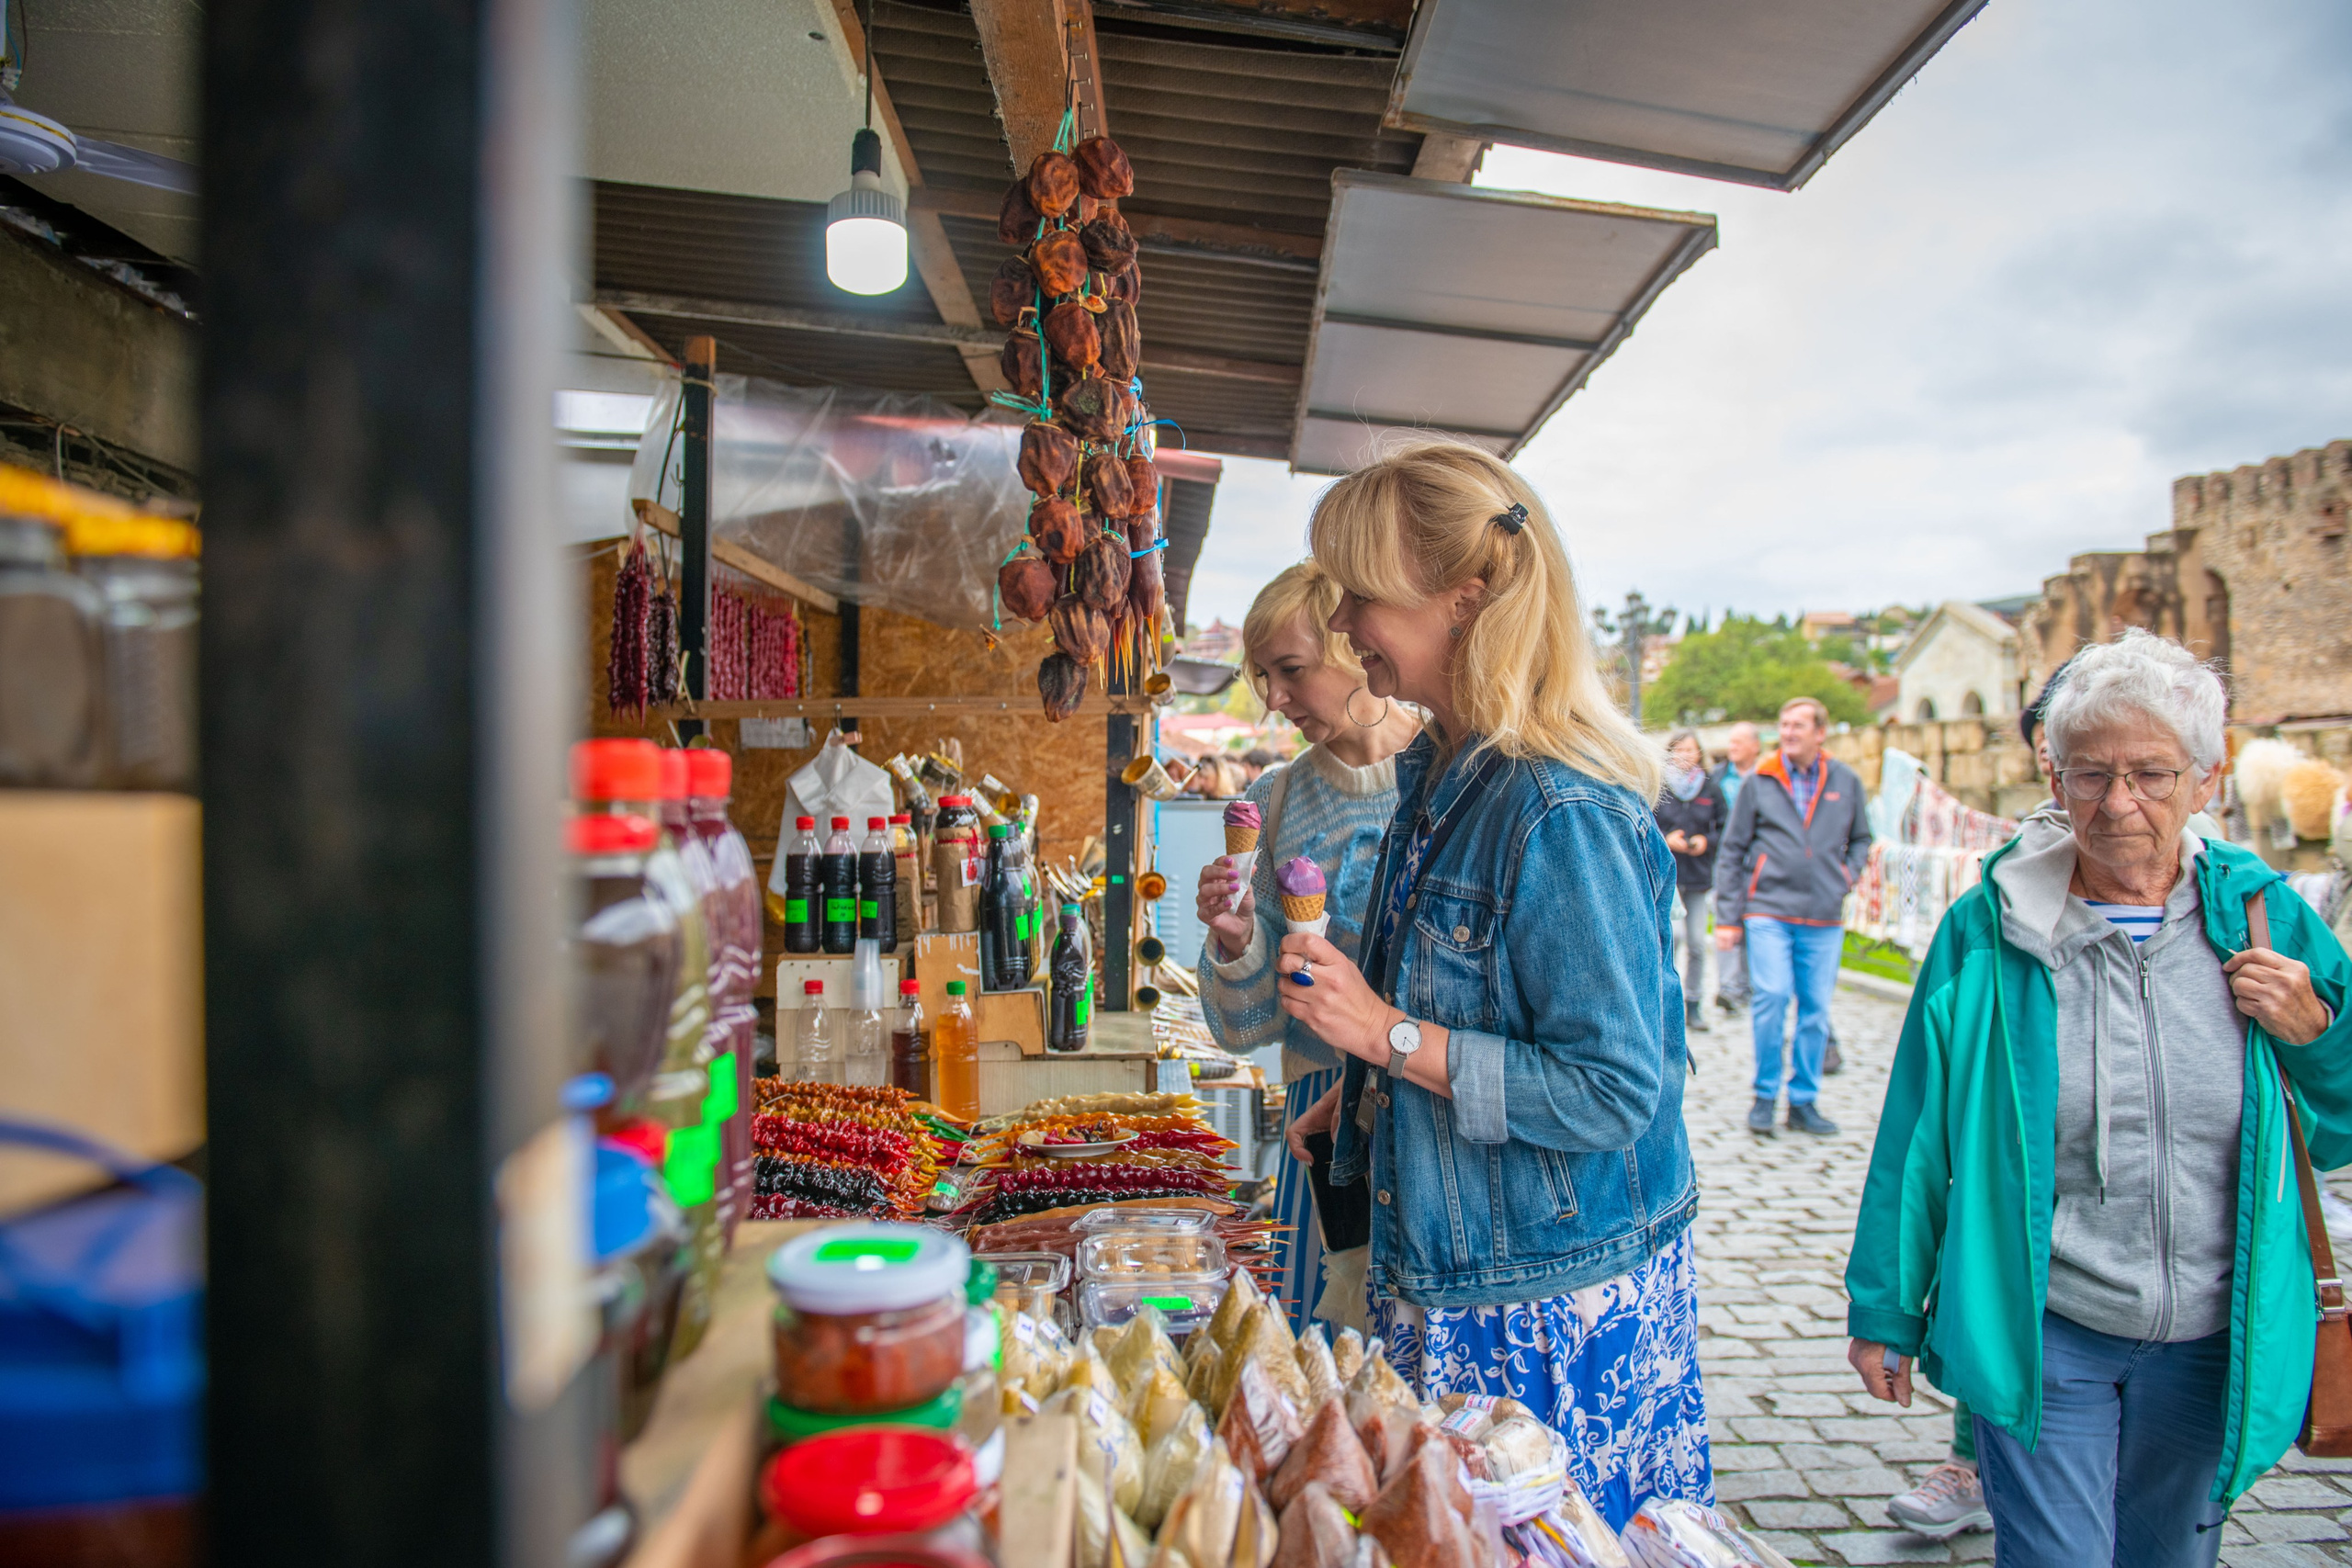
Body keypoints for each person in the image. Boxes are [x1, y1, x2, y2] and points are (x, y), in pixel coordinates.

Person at [1846, 629, 2352, 1566]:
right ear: (2055, 778)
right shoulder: (1988, 931)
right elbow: (1916, 1136)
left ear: (2207, 778)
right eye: (2089, 775)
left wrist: (2315, 1037)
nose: (2117, 803)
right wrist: (1883, 1308)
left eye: (2151, 774)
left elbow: (2342, 1121)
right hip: (2046, 1325)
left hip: (2214, 1335)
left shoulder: (2267, 918)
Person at [1274, 441, 1708, 1529]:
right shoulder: (1440, 780)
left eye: (1360, 597)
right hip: (1465, 1274)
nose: (1343, 630)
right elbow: (1474, 1015)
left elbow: (1614, 1093)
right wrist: (1368, 1100)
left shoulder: (1557, 812)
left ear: (1465, 600)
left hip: (1539, 1308)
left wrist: (1386, 1042)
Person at [1195, 562, 1419, 1336]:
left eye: (1289, 670)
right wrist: (1237, 940)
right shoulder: (1272, 800)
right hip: (1314, 1127)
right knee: (1316, 1357)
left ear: (1355, 646)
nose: (1274, 700)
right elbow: (1245, 1026)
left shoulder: (1450, 777)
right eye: (1262, 677)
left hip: (1424, 1112)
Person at [1713, 697, 1871, 1135]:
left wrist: (1845, 875)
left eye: (1799, 725)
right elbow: (1731, 851)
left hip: (1823, 913)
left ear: (1820, 732)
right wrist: (1728, 918)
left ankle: (1803, 1101)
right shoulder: (1760, 780)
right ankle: (1764, 1095)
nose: (1789, 732)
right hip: (1768, 909)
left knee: (1816, 1011)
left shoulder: (1845, 780)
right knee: (1771, 997)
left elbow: (1861, 839)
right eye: (1784, 725)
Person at [1653, 729, 1727, 1036]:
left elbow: (1725, 828)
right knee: (1674, 938)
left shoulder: (1711, 789)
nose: (1686, 755)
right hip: (1668, 875)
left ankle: (1693, 1001)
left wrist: (1704, 841)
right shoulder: (1659, 786)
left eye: (1691, 750)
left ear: (1700, 754)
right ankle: (1662, 1002)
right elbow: (1646, 824)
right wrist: (1666, 840)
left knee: (1697, 941)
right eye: (1680, 750)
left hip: (1697, 875)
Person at [1711, 722, 1762, 1015]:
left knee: (1753, 920)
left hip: (1757, 861)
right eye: (1730, 743)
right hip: (1727, 858)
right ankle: (1729, 986)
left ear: (1755, 745)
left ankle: (1750, 983)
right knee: (1726, 917)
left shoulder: (1768, 778)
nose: (1733, 748)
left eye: (1739, 742)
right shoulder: (1717, 778)